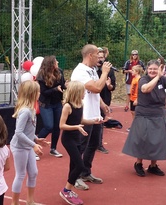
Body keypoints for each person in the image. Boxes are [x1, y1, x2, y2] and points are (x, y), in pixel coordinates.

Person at [122, 59, 166, 177]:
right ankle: (138, 164)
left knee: (158, 141)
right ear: (147, 70)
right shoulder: (144, 79)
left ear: (159, 69)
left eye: (155, 69)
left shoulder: (163, 79)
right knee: (143, 140)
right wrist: (157, 77)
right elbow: (145, 89)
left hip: (159, 114)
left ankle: (153, 166)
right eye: (150, 69)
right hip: (144, 114)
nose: (152, 71)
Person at [70, 44, 111, 189]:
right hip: (84, 115)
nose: (100, 59)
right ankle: (73, 178)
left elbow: (95, 92)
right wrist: (105, 72)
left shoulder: (92, 70)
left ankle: (85, 172)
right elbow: (97, 87)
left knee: (93, 144)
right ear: (90, 55)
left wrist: (102, 104)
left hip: (95, 114)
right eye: (97, 56)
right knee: (79, 147)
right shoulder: (80, 71)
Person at [59, 81, 102, 205]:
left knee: (74, 165)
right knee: (80, 165)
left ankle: (69, 190)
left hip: (77, 138)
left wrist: (94, 121)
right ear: (77, 92)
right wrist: (76, 127)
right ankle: (66, 190)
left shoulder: (81, 104)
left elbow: (81, 120)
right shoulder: (67, 106)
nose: (85, 94)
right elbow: (62, 125)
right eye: (83, 92)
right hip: (68, 139)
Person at [10, 80, 48, 205]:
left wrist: (36, 139)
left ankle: (30, 201)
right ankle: (14, 203)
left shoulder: (31, 109)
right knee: (20, 174)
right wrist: (34, 145)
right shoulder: (25, 111)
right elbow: (18, 133)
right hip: (19, 147)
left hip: (27, 146)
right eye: (37, 92)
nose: (39, 93)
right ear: (32, 94)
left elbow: (28, 131)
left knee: (33, 172)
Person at [36, 55, 66, 158]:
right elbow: (43, 92)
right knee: (49, 126)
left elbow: (62, 85)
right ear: (50, 64)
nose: (57, 62)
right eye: (55, 61)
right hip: (46, 104)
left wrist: (68, 86)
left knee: (57, 126)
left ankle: (53, 149)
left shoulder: (59, 71)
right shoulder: (41, 75)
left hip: (57, 103)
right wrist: (55, 89)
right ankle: (34, 146)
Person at [96, 48, 115, 154]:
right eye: (98, 57)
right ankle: (87, 143)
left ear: (105, 58)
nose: (100, 59)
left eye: (102, 57)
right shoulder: (91, 69)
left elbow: (113, 87)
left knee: (100, 123)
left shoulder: (110, 70)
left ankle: (99, 144)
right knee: (89, 122)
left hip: (105, 99)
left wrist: (109, 85)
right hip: (93, 100)